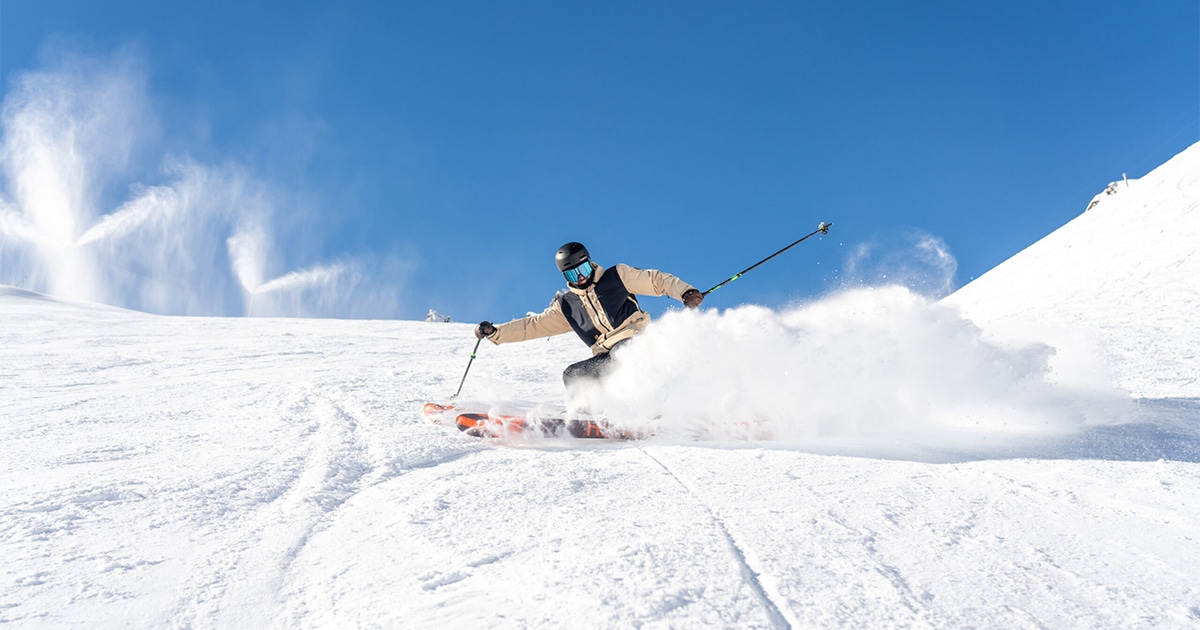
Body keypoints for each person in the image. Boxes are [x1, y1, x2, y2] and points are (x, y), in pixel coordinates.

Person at [475, 242, 703, 389]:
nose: (581, 278)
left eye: (583, 270)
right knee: (573, 375)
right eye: (573, 274)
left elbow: (656, 280)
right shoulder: (567, 306)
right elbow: (533, 326)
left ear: (590, 263)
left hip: (636, 343)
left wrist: (685, 291)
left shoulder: (617, 276)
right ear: (565, 276)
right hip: (607, 355)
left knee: (622, 353)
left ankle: (654, 405)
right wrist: (497, 333)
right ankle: (587, 416)